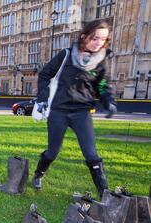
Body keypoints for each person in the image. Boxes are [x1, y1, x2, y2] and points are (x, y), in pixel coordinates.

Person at [32, 19, 117, 199]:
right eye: (95, 38)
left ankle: (105, 195)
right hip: (59, 111)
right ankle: (38, 174)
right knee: (52, 151)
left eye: (102, 40)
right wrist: (42, 99)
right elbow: (45, 74)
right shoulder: (66, 55)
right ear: (84, 37)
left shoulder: (101, 62)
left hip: (82, 113)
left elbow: (102, 86)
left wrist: (108, 101)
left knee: (91, 154)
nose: (98, 43)